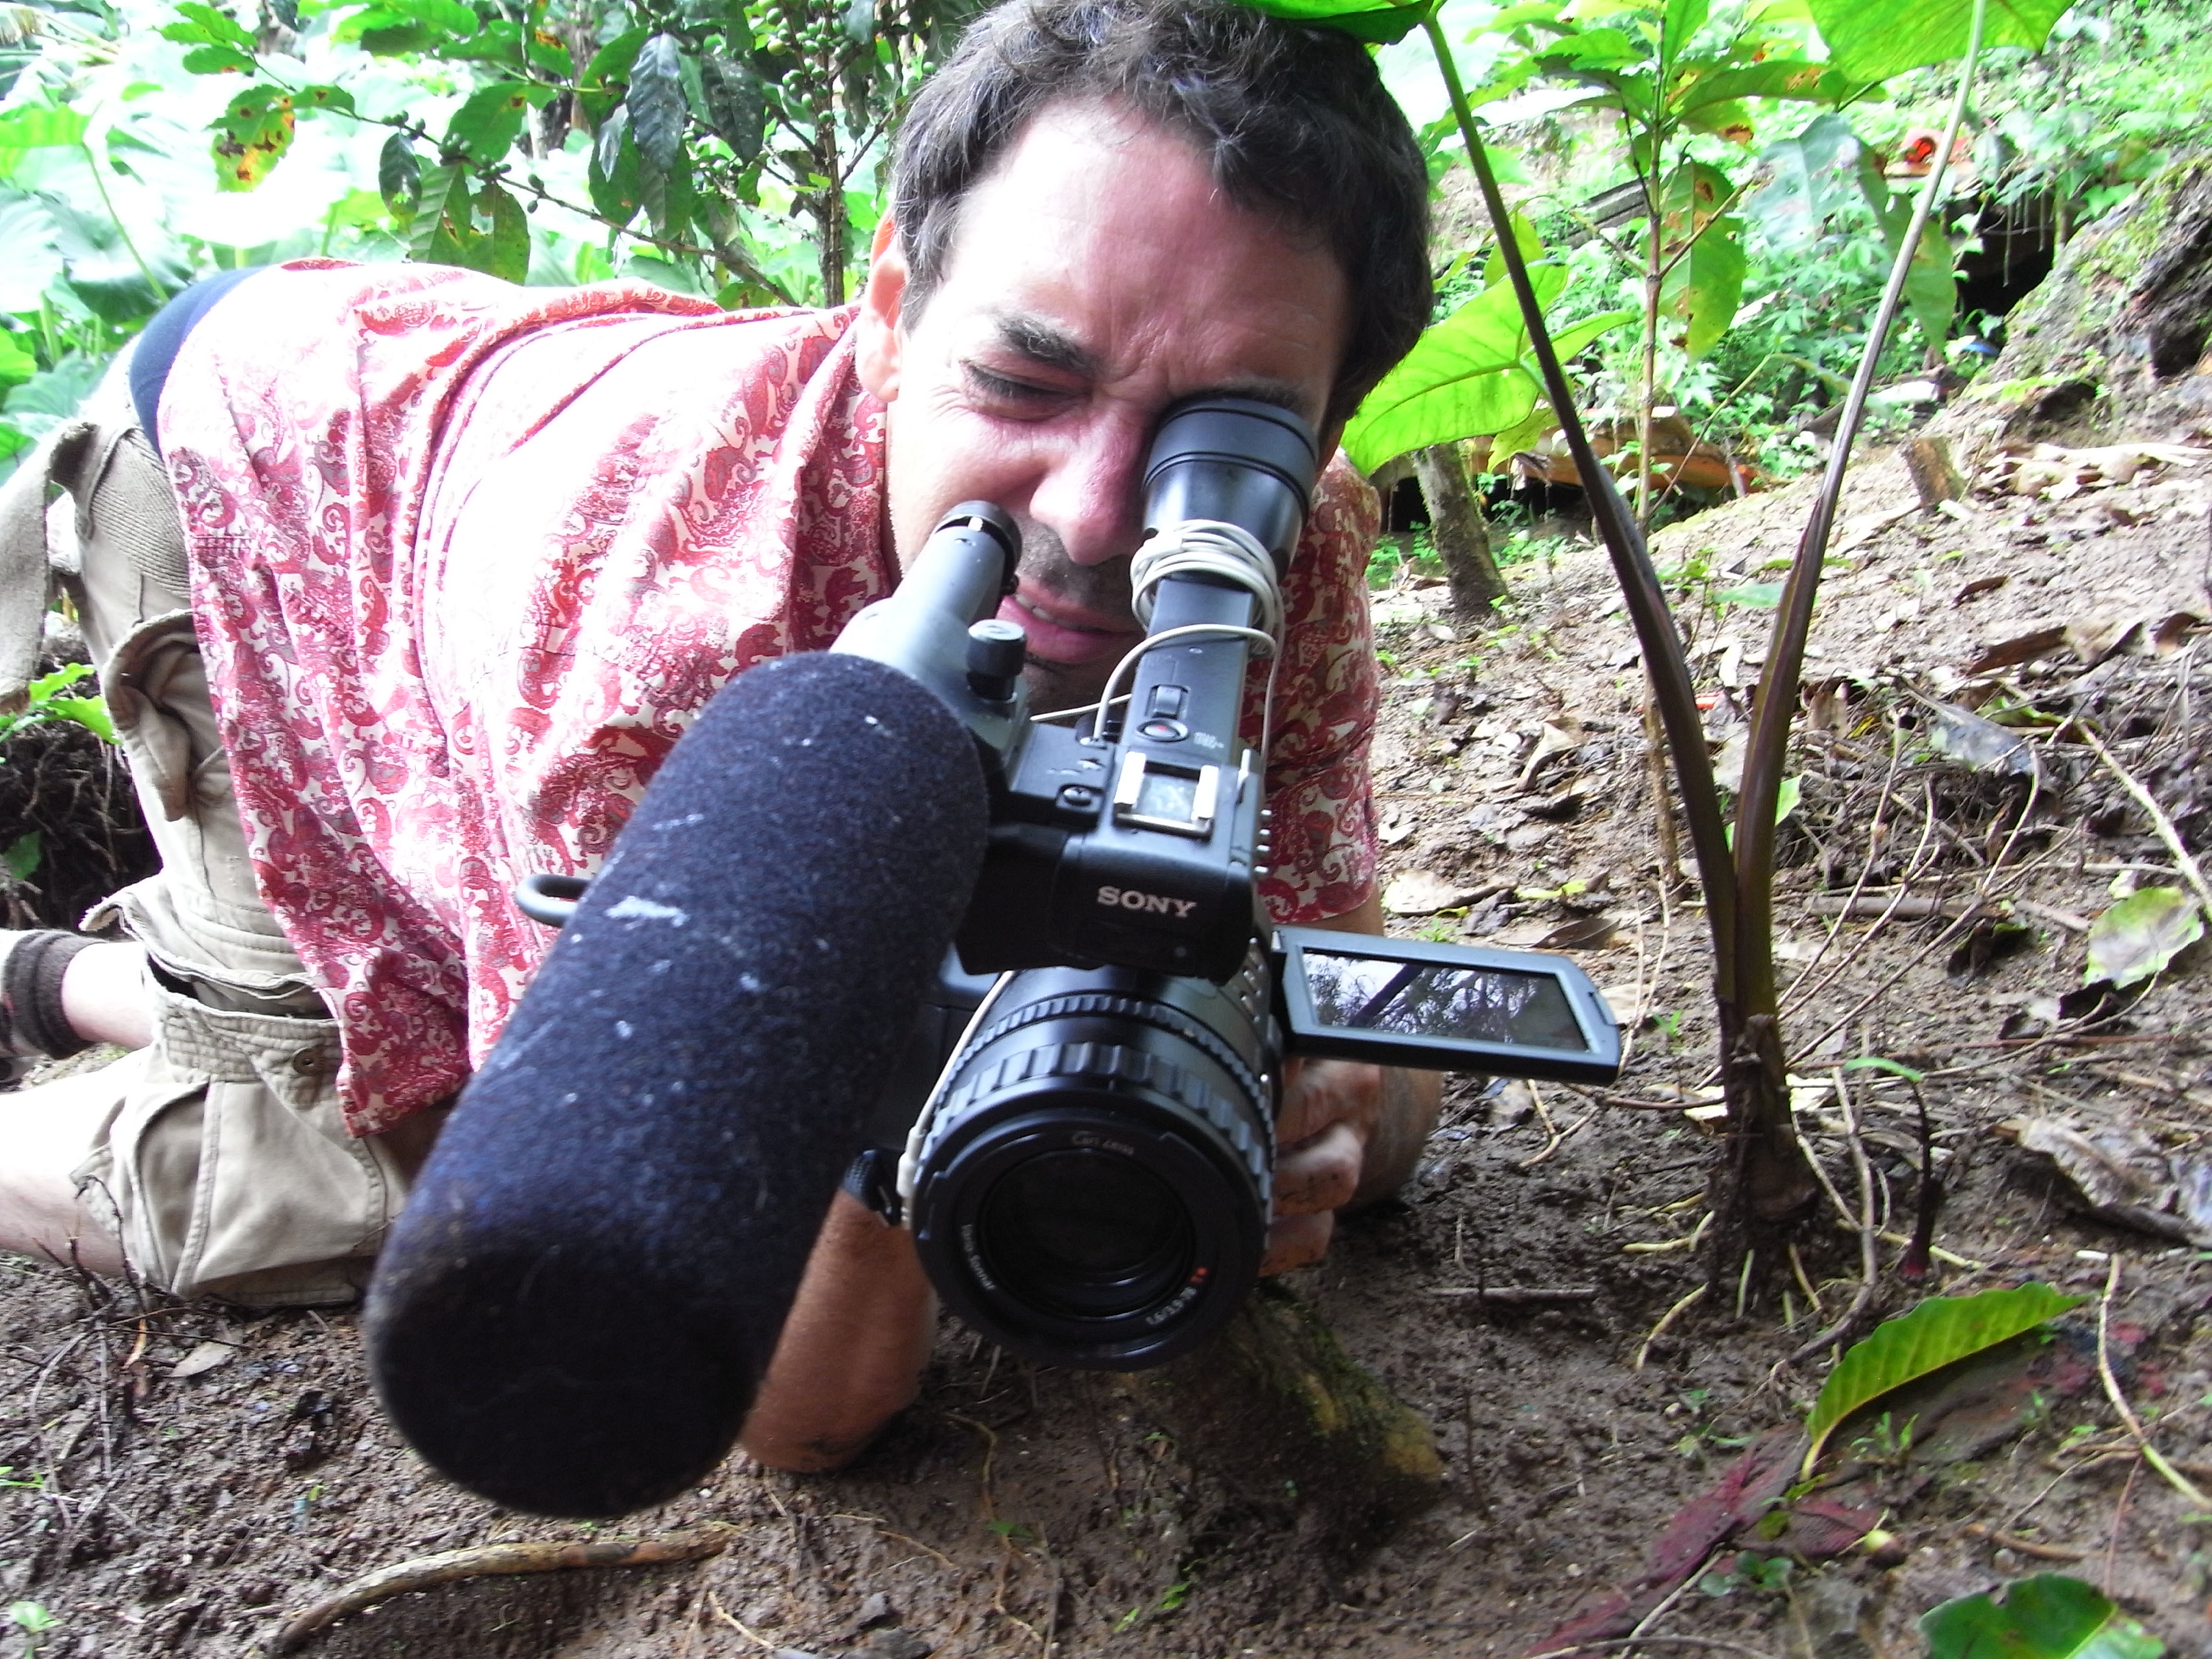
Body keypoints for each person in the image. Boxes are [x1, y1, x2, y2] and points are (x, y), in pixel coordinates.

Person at [0, 0, 1438, 1469]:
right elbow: (788, 1409)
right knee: (376, 1180)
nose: (1092, 518)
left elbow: (1372, 1053)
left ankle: (64, 983)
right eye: (1023, 383)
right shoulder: (656, 648)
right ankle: (124, 1004)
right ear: (891, 318)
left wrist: (1295, 1082)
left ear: (1324, 429)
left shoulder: (1275, 547)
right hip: (254, 473)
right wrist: (913, 1107)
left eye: (1229, 432)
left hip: (482, 406)